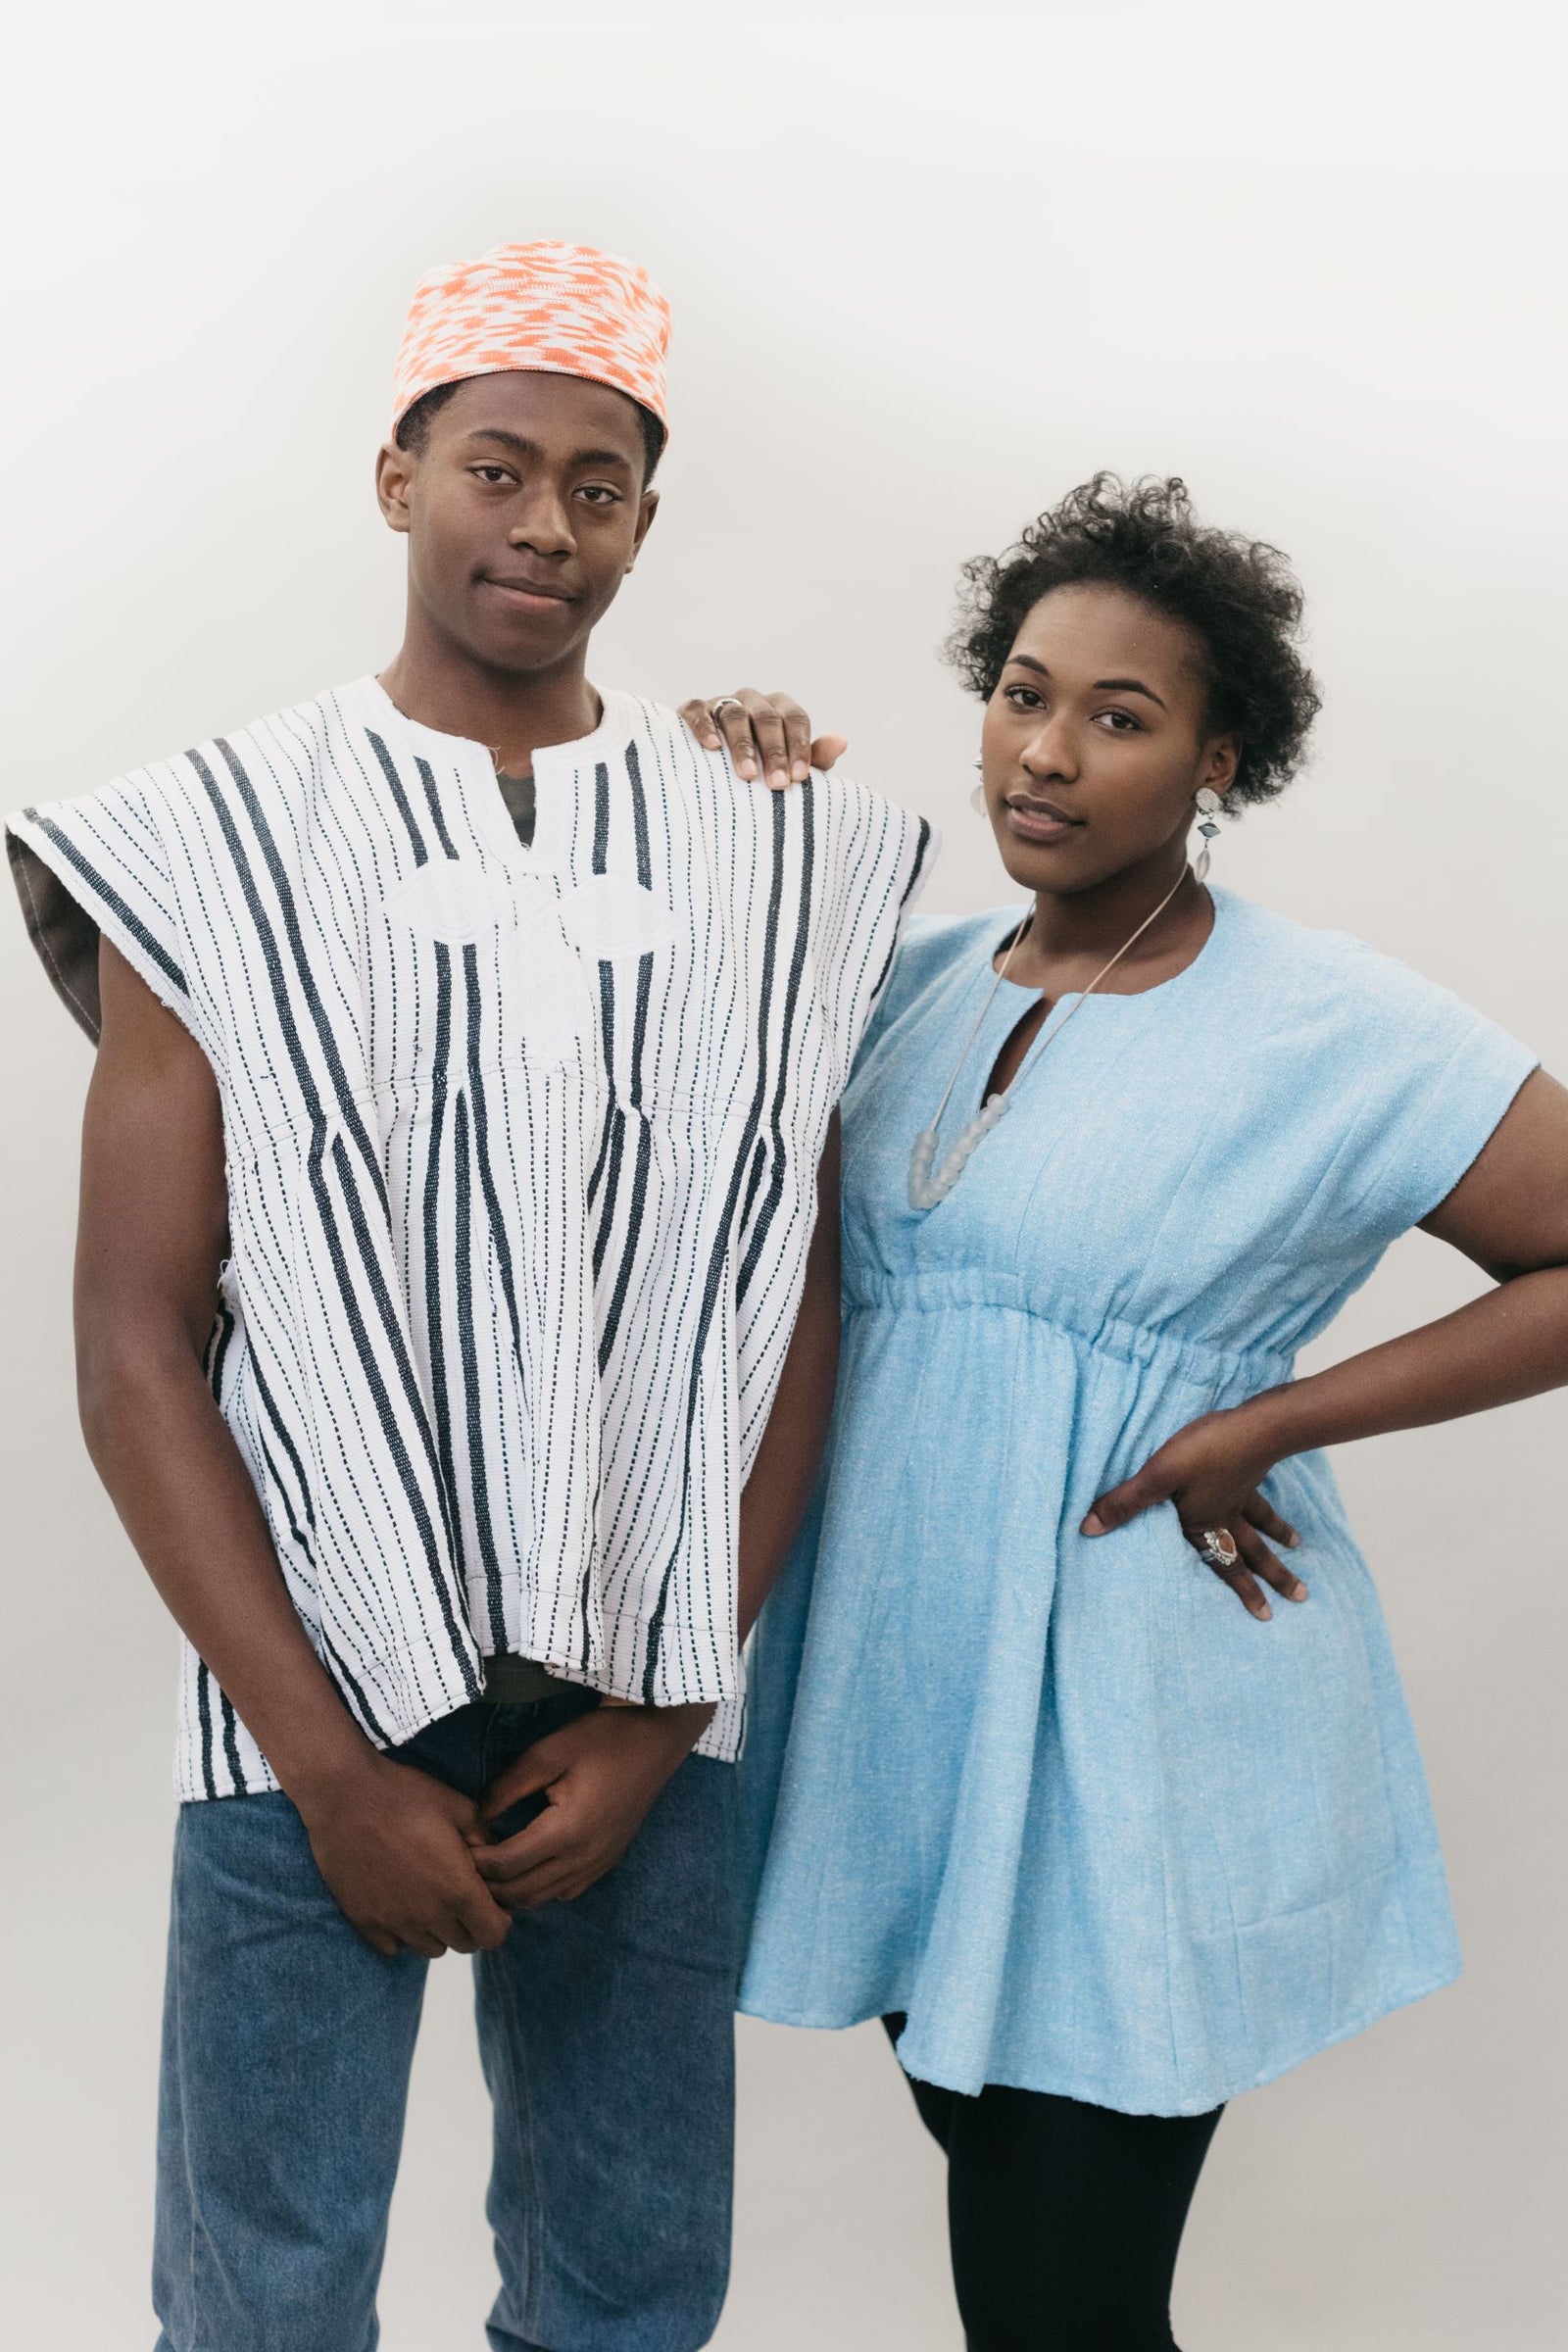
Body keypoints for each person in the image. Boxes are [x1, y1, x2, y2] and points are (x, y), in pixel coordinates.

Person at [5, 240, 931, 2352]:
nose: (543, 526)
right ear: (396, 474)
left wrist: (664, 1714)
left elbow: (784, 1307)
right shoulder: (213, 838)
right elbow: (136, 1341)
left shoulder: (762, 853)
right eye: (495, 469)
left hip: (632, 1716)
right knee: (260, 2307)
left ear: (643, 521)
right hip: (302, 1697)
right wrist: (329, 1766)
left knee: (624, 2297)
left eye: (594, 486)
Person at [682, 475, 1568, 2352]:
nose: (1046, 751)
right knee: (1031, 2281)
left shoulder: (1336, 1025)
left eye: (1119, 715)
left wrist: (1266, 1421)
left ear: (1216, 759)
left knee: (1059, 2305)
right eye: (1020, 690)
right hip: (912, 1719)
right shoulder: (900, 981)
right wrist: (706, 784)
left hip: (1135, 1727)